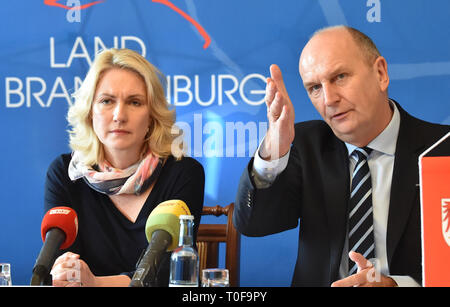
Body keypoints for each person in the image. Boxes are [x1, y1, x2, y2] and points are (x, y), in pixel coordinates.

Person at [233, 26, 450, 287]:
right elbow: (253, 224)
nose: (329, 99)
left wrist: (397, 285)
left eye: (340, 77)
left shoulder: (442, 148)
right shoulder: (305, 145)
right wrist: (273, 150)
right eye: (314, 87)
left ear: (380, 73)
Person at [44, 48, 205, 287]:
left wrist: (95, 283)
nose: (119, 115)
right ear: (90, 112)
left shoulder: (183, 173)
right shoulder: (66, 174)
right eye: (107, 101)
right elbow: (64, 265)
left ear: (151, 116)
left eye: (134, 102)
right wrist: (64, 272)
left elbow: (169, 274)